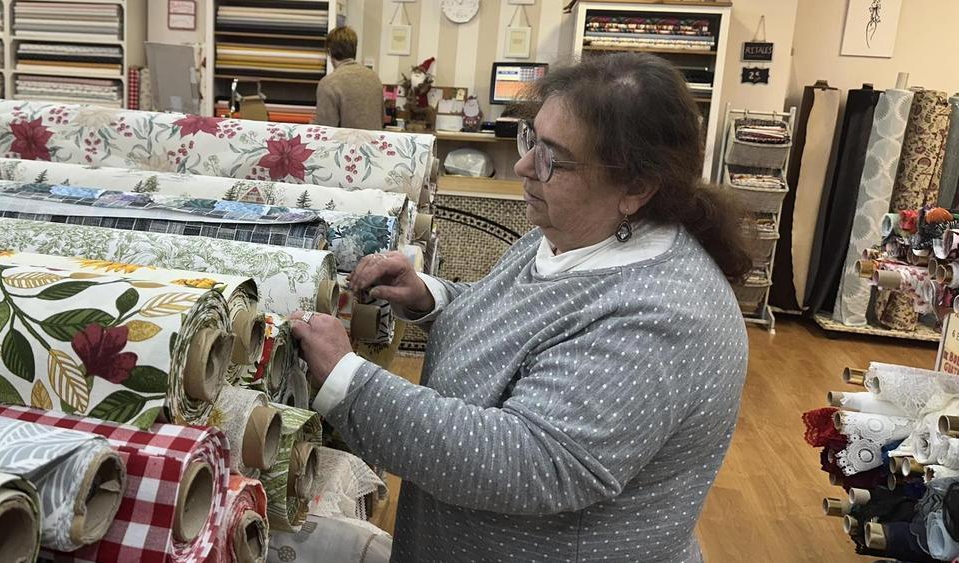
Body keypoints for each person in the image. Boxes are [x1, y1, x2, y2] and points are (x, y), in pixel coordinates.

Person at [291, 52, 751, 562]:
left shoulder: (664, 316)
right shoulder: (567, 237)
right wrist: (429, 296)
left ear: (637, 187)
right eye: (531, 138)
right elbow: (519, 323)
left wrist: (347, 381)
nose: (524, 165)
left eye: (553, 156)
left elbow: (530, 462)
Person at [313, 26, 383, 129]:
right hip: (372, 144)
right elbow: (381, 118)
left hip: (346, 144)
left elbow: (324, 129)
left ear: (330, 51)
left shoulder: (329, 83)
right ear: (354, 49)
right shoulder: (374, 78)